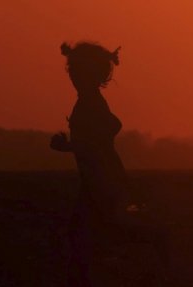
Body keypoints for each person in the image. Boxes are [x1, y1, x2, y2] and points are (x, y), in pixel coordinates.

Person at [50, 42, 163, 286]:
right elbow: (112, 126)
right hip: (99, 179)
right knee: (93, 235)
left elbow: (96, 143)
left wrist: (67, 146)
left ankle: (153, 246)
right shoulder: (90, 101)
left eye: (78, 72)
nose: (73, 77)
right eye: (72, 72)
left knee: (87, 236)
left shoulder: (89, 103)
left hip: (100, 180)